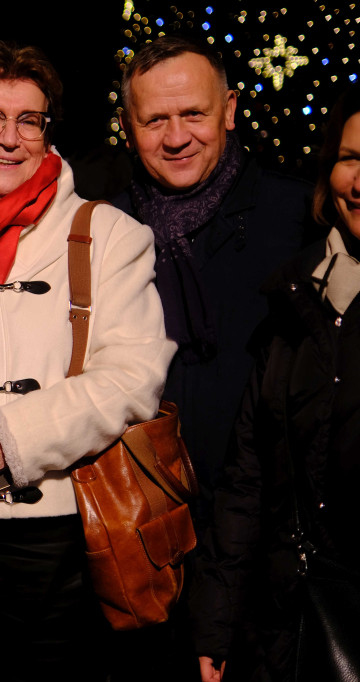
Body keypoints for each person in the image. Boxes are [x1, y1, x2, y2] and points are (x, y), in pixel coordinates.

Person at [0, 39, 175, 680]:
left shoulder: (110, 235)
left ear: (47, 133)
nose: (9, 138)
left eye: (29, 120)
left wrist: (12, 435)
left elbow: (135, 376)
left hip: (55, 529)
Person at [190, 85, 360, 682]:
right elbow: (248, 477)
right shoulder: (296, 296)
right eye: (351, 158)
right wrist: (216, 623)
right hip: (289, 627)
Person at [115, 36, 315, 511]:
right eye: (155, 120)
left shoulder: (301, 218)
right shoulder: (105, 231)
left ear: (229, 110)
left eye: (194, 114)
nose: (177, 136)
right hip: (146, 516)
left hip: (271, 515)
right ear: (127, 127)